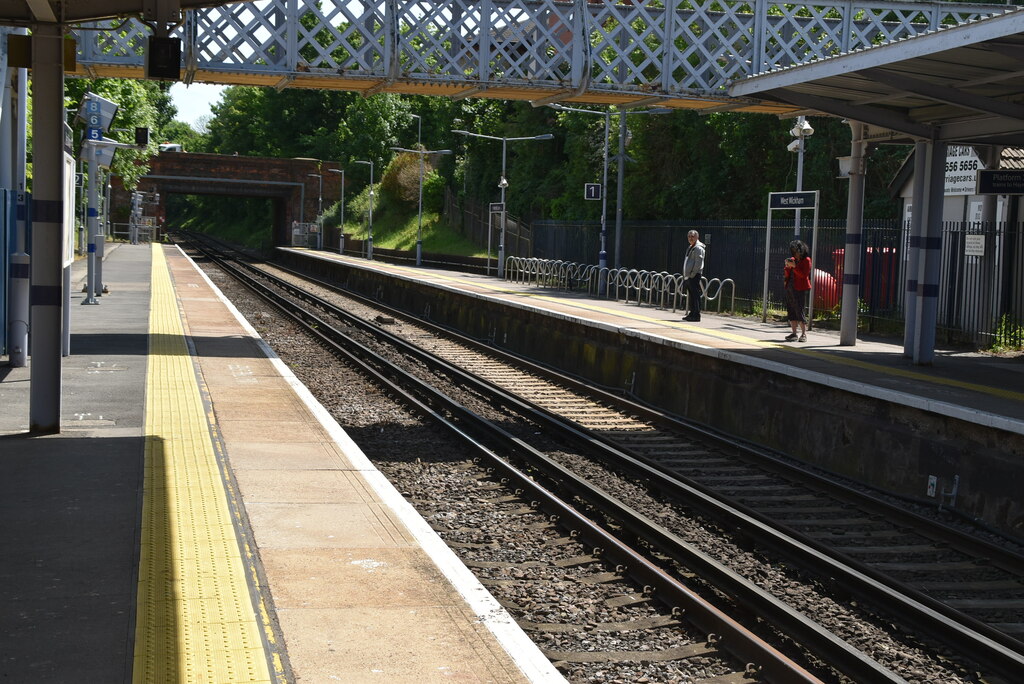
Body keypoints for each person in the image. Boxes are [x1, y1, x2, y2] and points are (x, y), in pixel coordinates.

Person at [783, 239, 811, 342]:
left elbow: (804, 275)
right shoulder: (793, 259)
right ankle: (794, 333)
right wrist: (787, 266)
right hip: (790, 287)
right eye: (794, 251)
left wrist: (794, 267)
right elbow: (787, 273)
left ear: (802, 250)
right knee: (791, 309)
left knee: (799, 309)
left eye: (797, 251)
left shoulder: (806, 260)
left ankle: (804, 334)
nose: (796, 254)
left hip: (800, 288)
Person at [682, 230, 705, 322]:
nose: (690, 238)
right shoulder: (691, 247)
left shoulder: (698, 248)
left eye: (692, 236)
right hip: (688, 275)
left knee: (695, 295)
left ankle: (696, 315)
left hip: (694, 275)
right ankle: (692, 313)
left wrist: (692, 274)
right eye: (689, 236)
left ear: (697, 237)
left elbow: (698, 263)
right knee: (691, 295)